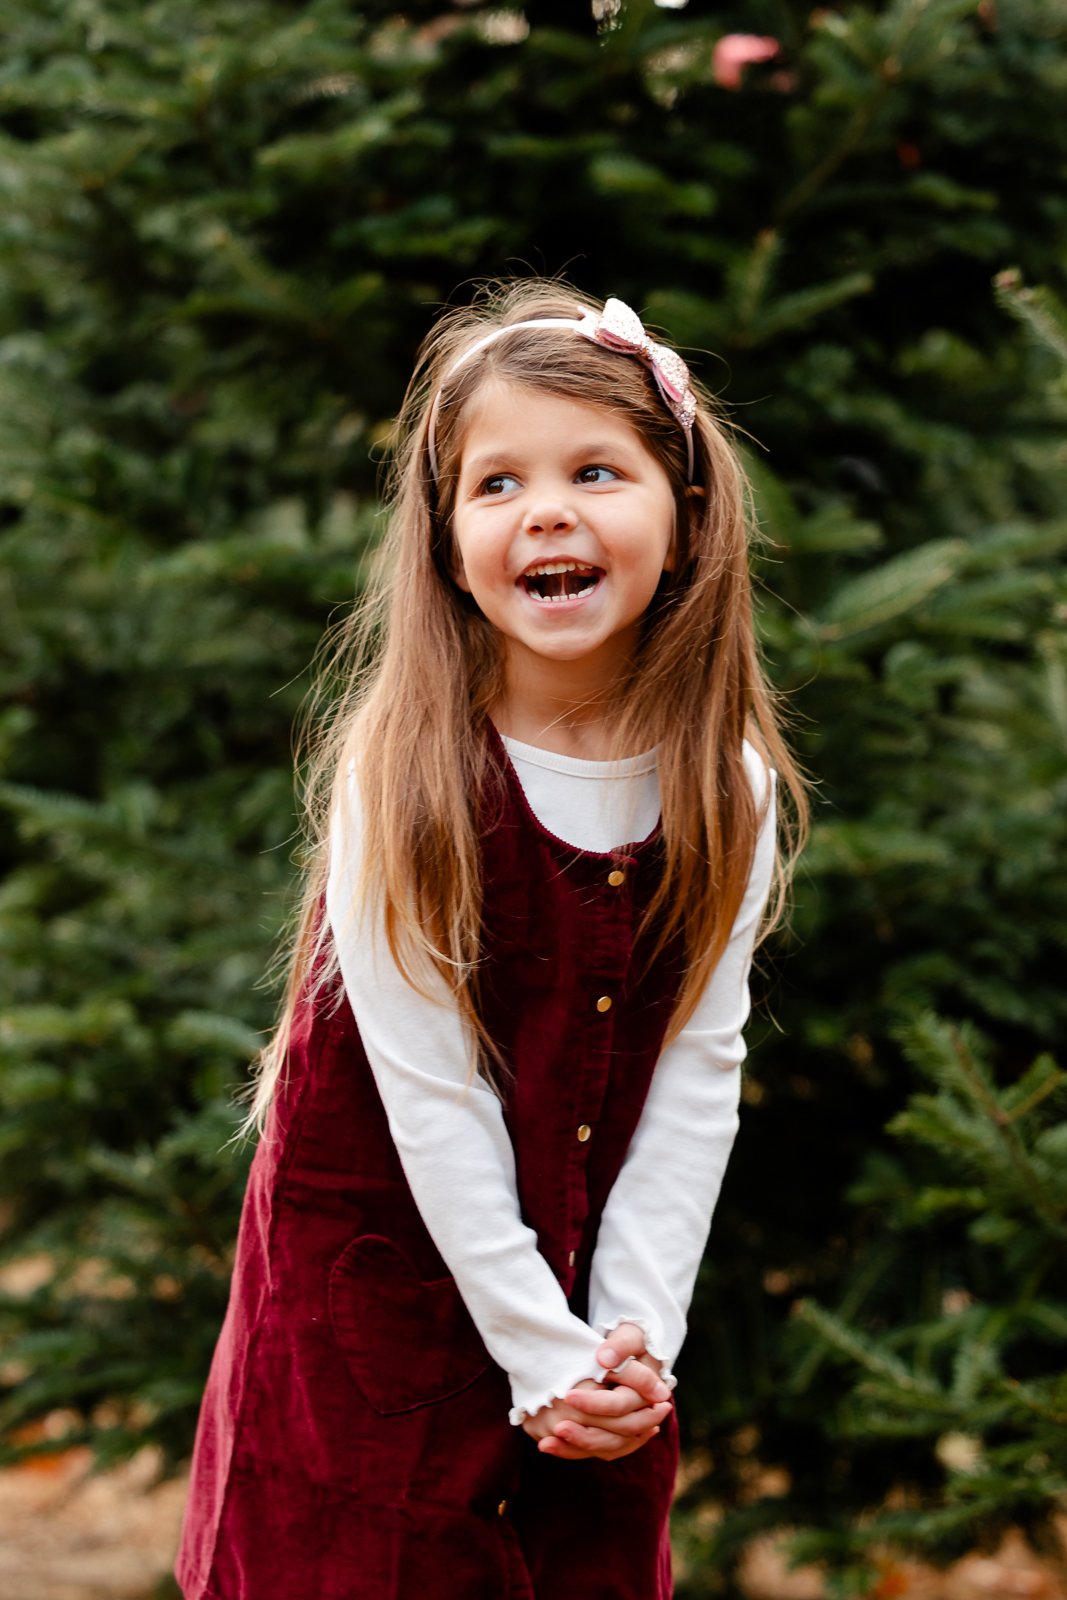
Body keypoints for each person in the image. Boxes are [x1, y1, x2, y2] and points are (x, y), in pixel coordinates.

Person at [175, 279, 807, 1600]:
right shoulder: (407, 781)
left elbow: (696, 1079)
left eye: (595, 469)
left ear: (688, 521)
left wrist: (630, 1350)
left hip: (582, 1328)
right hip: (375, 1324)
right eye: (497, 485)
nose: (548, 511)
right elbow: (431, 1094)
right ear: (450, 546)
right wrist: (545, 1355)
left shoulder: (725, 785)